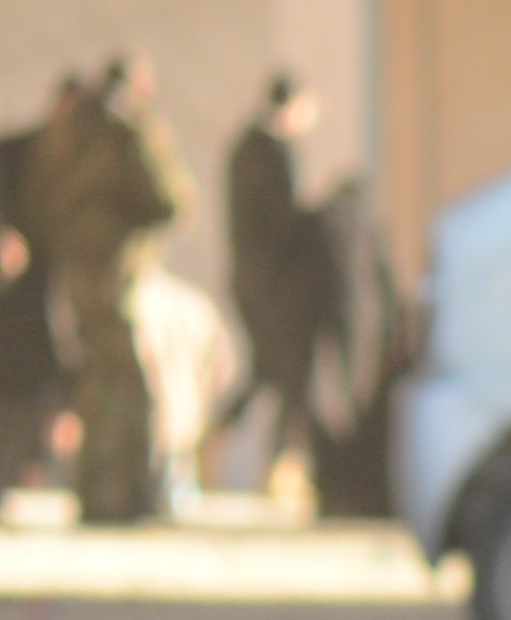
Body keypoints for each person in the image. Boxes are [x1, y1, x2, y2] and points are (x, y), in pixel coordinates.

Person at [17, 55, 188, 528]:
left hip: (75, 271)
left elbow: (34, 203)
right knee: (131, 380)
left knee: (95, 376)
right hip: (121, 270)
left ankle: (94, 492)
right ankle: (126, 494)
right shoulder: (130, 130)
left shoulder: (61, 134)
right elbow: (173, 201)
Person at [218, 74, 343, 502]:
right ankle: (278, 467)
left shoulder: (245, 146)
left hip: (253, 280)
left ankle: (244, 453)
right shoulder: (272, 151)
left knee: (269, 374)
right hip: (275, 286)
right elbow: (282, 221)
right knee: (286, 377)